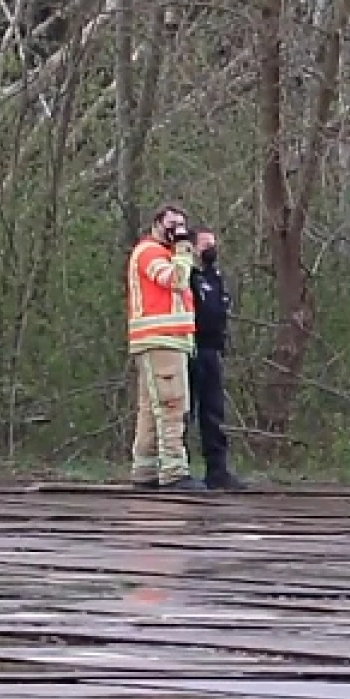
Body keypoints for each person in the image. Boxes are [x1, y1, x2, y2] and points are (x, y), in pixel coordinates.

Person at [126, 204, 208, 491]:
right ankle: (174, 471)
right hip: (160, 339)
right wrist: (184, 251)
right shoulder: (149, 252)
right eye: (172, 226)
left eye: (182, 225)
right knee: (173, 405)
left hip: (167, 339)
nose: (178, 232)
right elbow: (176, 280)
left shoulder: (169, 255)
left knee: (151, 408)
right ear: (156, 224)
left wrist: (198, 252)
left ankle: (145, 470)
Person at [187, 230, 248, 490]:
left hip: (212, 351)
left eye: (213, 244)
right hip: (189, 349)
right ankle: (176, 469)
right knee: (183, 412)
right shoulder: (188, 277)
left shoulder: (217, 278)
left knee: (214, 412)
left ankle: (218, 470)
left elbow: (220, 310)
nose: (211, 248)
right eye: (205, 244)